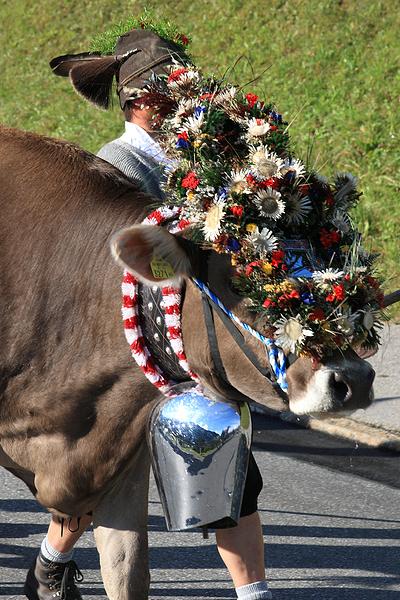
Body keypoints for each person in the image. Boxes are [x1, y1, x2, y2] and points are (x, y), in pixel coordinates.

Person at [24, 26, 273, 600]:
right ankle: (49, 563)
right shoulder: (114, 167)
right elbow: (115, 272)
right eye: (171, 90)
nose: (185, 99)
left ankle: (256, 594)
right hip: (130, 352)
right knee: (92, 485)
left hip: (194, 350)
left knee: (232, 479)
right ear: (141, 101)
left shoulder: (201, 166)